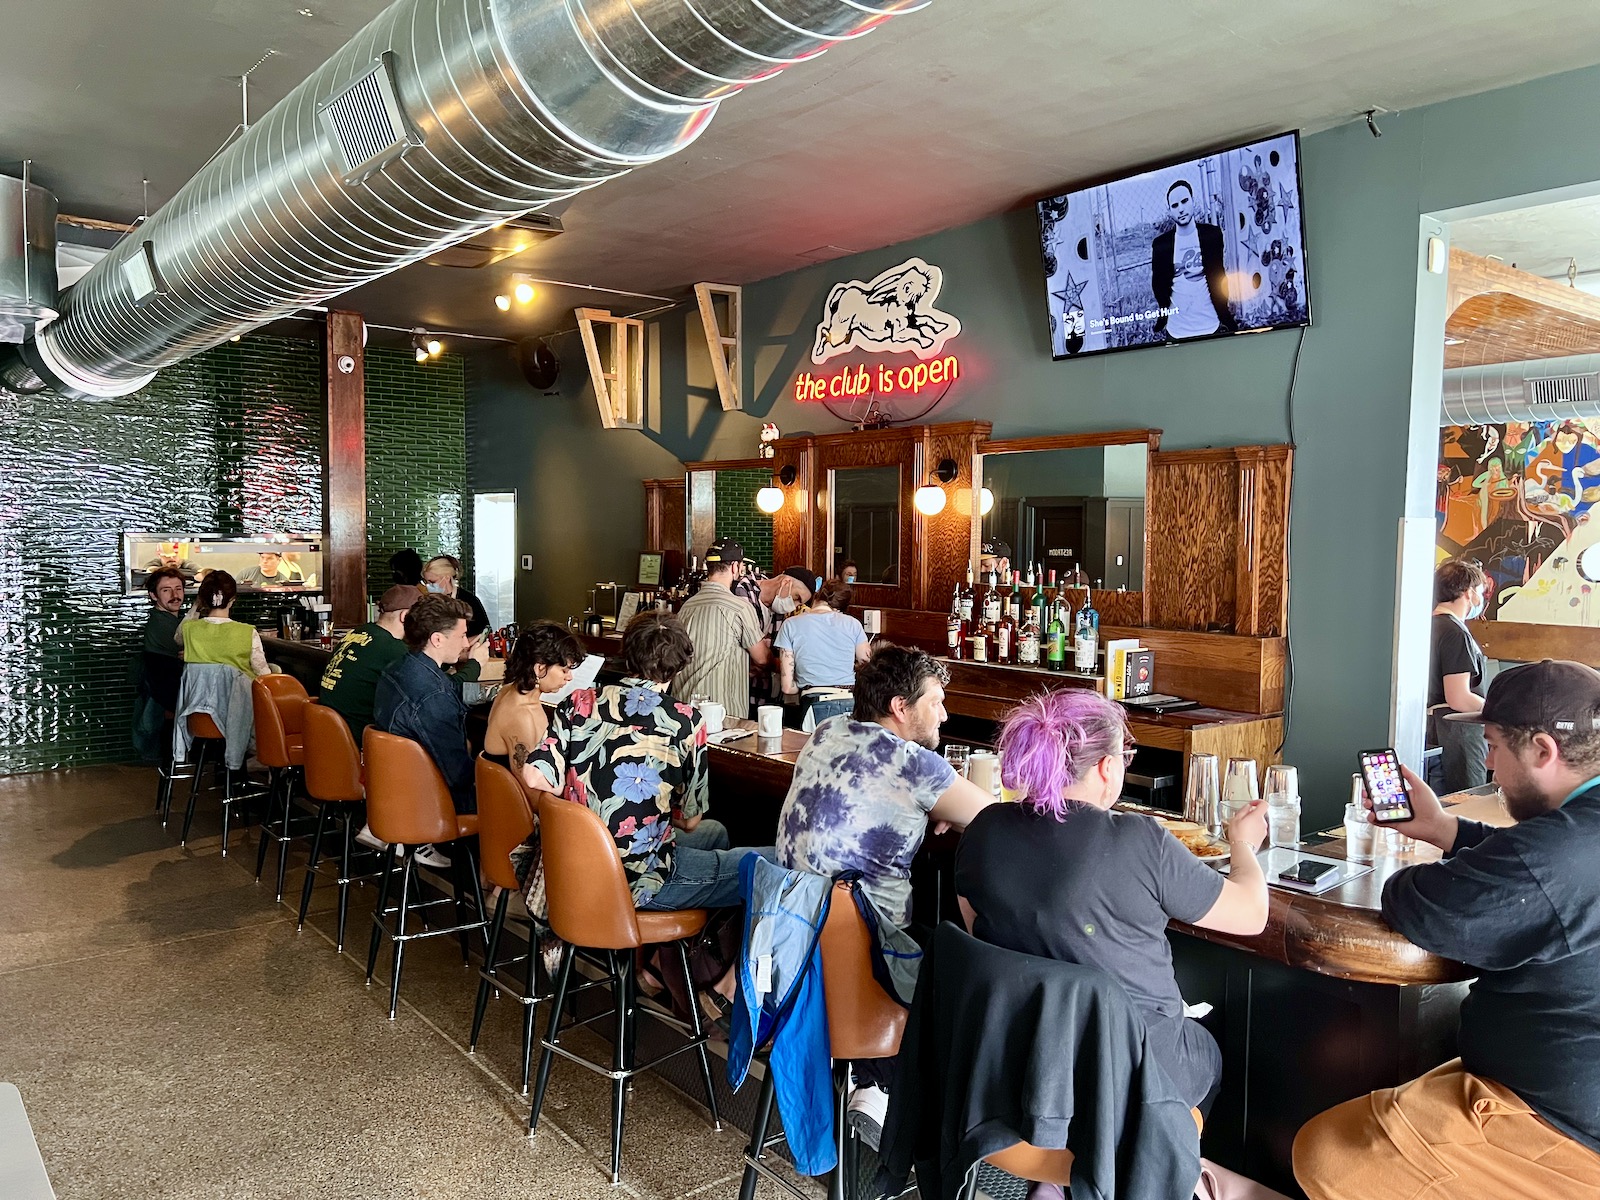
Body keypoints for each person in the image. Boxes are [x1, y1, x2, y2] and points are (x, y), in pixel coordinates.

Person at [1293, 659, 1600, 1200]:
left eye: (1497, 749)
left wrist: (1409, 864)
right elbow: (1533, 870)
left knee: (1327, 1153)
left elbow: (1419, 903)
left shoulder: (1559, 852)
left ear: (1543, 752)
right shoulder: (1575, 834)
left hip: (1563, 1129)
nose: (1492, 770)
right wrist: (1443, 828)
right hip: (1559, 1094)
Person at [954, 689, 1268, 1118]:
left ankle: (1057, 1178)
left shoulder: (982, 830)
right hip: (1131, 1077)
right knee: (1208, 1055)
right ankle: (1157, 1170)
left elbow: (981, 938)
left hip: (1017, 1067)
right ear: (1106, 767)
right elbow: (1252, 914)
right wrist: (1243, 844)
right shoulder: (1140, 840)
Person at [775, 643, 995, 1138]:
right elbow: (994, 816)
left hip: (788, 950)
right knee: (968, 960)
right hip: (861, 961)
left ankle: (875, 1080)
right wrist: (937, 802)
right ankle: (887, 1087)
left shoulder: (826, 731)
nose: (945, 712)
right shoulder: (916, 764)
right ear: (901, 707)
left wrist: (930, 805)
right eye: (935, 701)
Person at [522, 612, 763, 912]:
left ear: (627, 653)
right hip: (637, 880)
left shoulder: (579, 702)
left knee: (716, 833)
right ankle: (680, 944)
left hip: (571, 865)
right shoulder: (685, 721)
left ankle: (675, 953)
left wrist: (577, 791)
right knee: (763, 866)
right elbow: (689, 821)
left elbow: (533, 776)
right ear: (679, 664)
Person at [371, 595, 479, 869]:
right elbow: (458, 775)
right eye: (463, 635)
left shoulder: (397, 668)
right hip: (429, 802)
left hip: (392, 792)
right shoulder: (433, 695)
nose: (467, 644)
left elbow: (445, 691)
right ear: (437, 639)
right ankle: (501, 886)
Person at [671, 539, 770, 718]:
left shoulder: (686, 606)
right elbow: (762, 658)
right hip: (721, 712)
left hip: (683, 709)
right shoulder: (738, 607)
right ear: (735, 567)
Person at [319, 585, 420, 746]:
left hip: (331, 738)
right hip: (363, 741)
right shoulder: (391, 648)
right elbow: (432, 685)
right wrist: (472, 666)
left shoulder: (357, 633)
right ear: (405, 616)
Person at [482, 621, 583, 773]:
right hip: (513, 796)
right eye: (564, 670)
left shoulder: (509, 690)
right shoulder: (522, 716)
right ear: (540, 668)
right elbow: (530, 788)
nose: (569, 677)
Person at [1429, 557, 1490, 792]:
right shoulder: (1455, 633)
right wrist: (1497, 712)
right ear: (1468, 592)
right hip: (1456, 732)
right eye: (1480, 591)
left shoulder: (1428, 626)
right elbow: (1459, 697)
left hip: (1433, 728)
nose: (1481, 599)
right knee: (1464, 803)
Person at [775, 578, 870, 726]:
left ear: (817, 596)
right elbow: (867, 665)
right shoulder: (853, 624)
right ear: (839, 608)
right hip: (851, 703)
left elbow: (787, 687)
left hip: (814, 704)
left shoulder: (790, 624)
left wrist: (805, 683)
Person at [1150, 179, 1234, 341]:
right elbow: (1158, 286)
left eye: (1184, 201)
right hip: (1177, 332)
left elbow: (1219, 277)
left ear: (1193, 202)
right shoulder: (1161, 245)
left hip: (1211, 326)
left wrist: (1224, 313)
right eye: (1175, 206)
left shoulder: (1212, 235)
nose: (1181, 209)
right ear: (1169, 211)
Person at [176, 570, 271, 677]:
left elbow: (177, 640)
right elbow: (263, 674)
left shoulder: (188, 630)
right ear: (233, 599)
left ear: (202, 599)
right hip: (241, 693)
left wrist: (196, 606)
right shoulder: (248, 633)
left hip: (200, 693)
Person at [141, 566, 188, 712]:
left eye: (178, 589)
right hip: (165, 705)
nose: (175, 595)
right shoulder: (161, 624)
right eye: (166, 590)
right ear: (154, 595)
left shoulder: (172, 620)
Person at [422, 554, 490, 638]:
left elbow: (483, 633)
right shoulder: (428, 602)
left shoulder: (469, 601)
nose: (428, 586)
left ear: (447, 577)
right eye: (426, 582)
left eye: (432, 582)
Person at [236, 550, 304, 588]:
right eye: (262, 557)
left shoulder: (283, 581)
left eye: (269, 558)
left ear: (278, 561)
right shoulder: (245, 574)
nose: (265, 561)